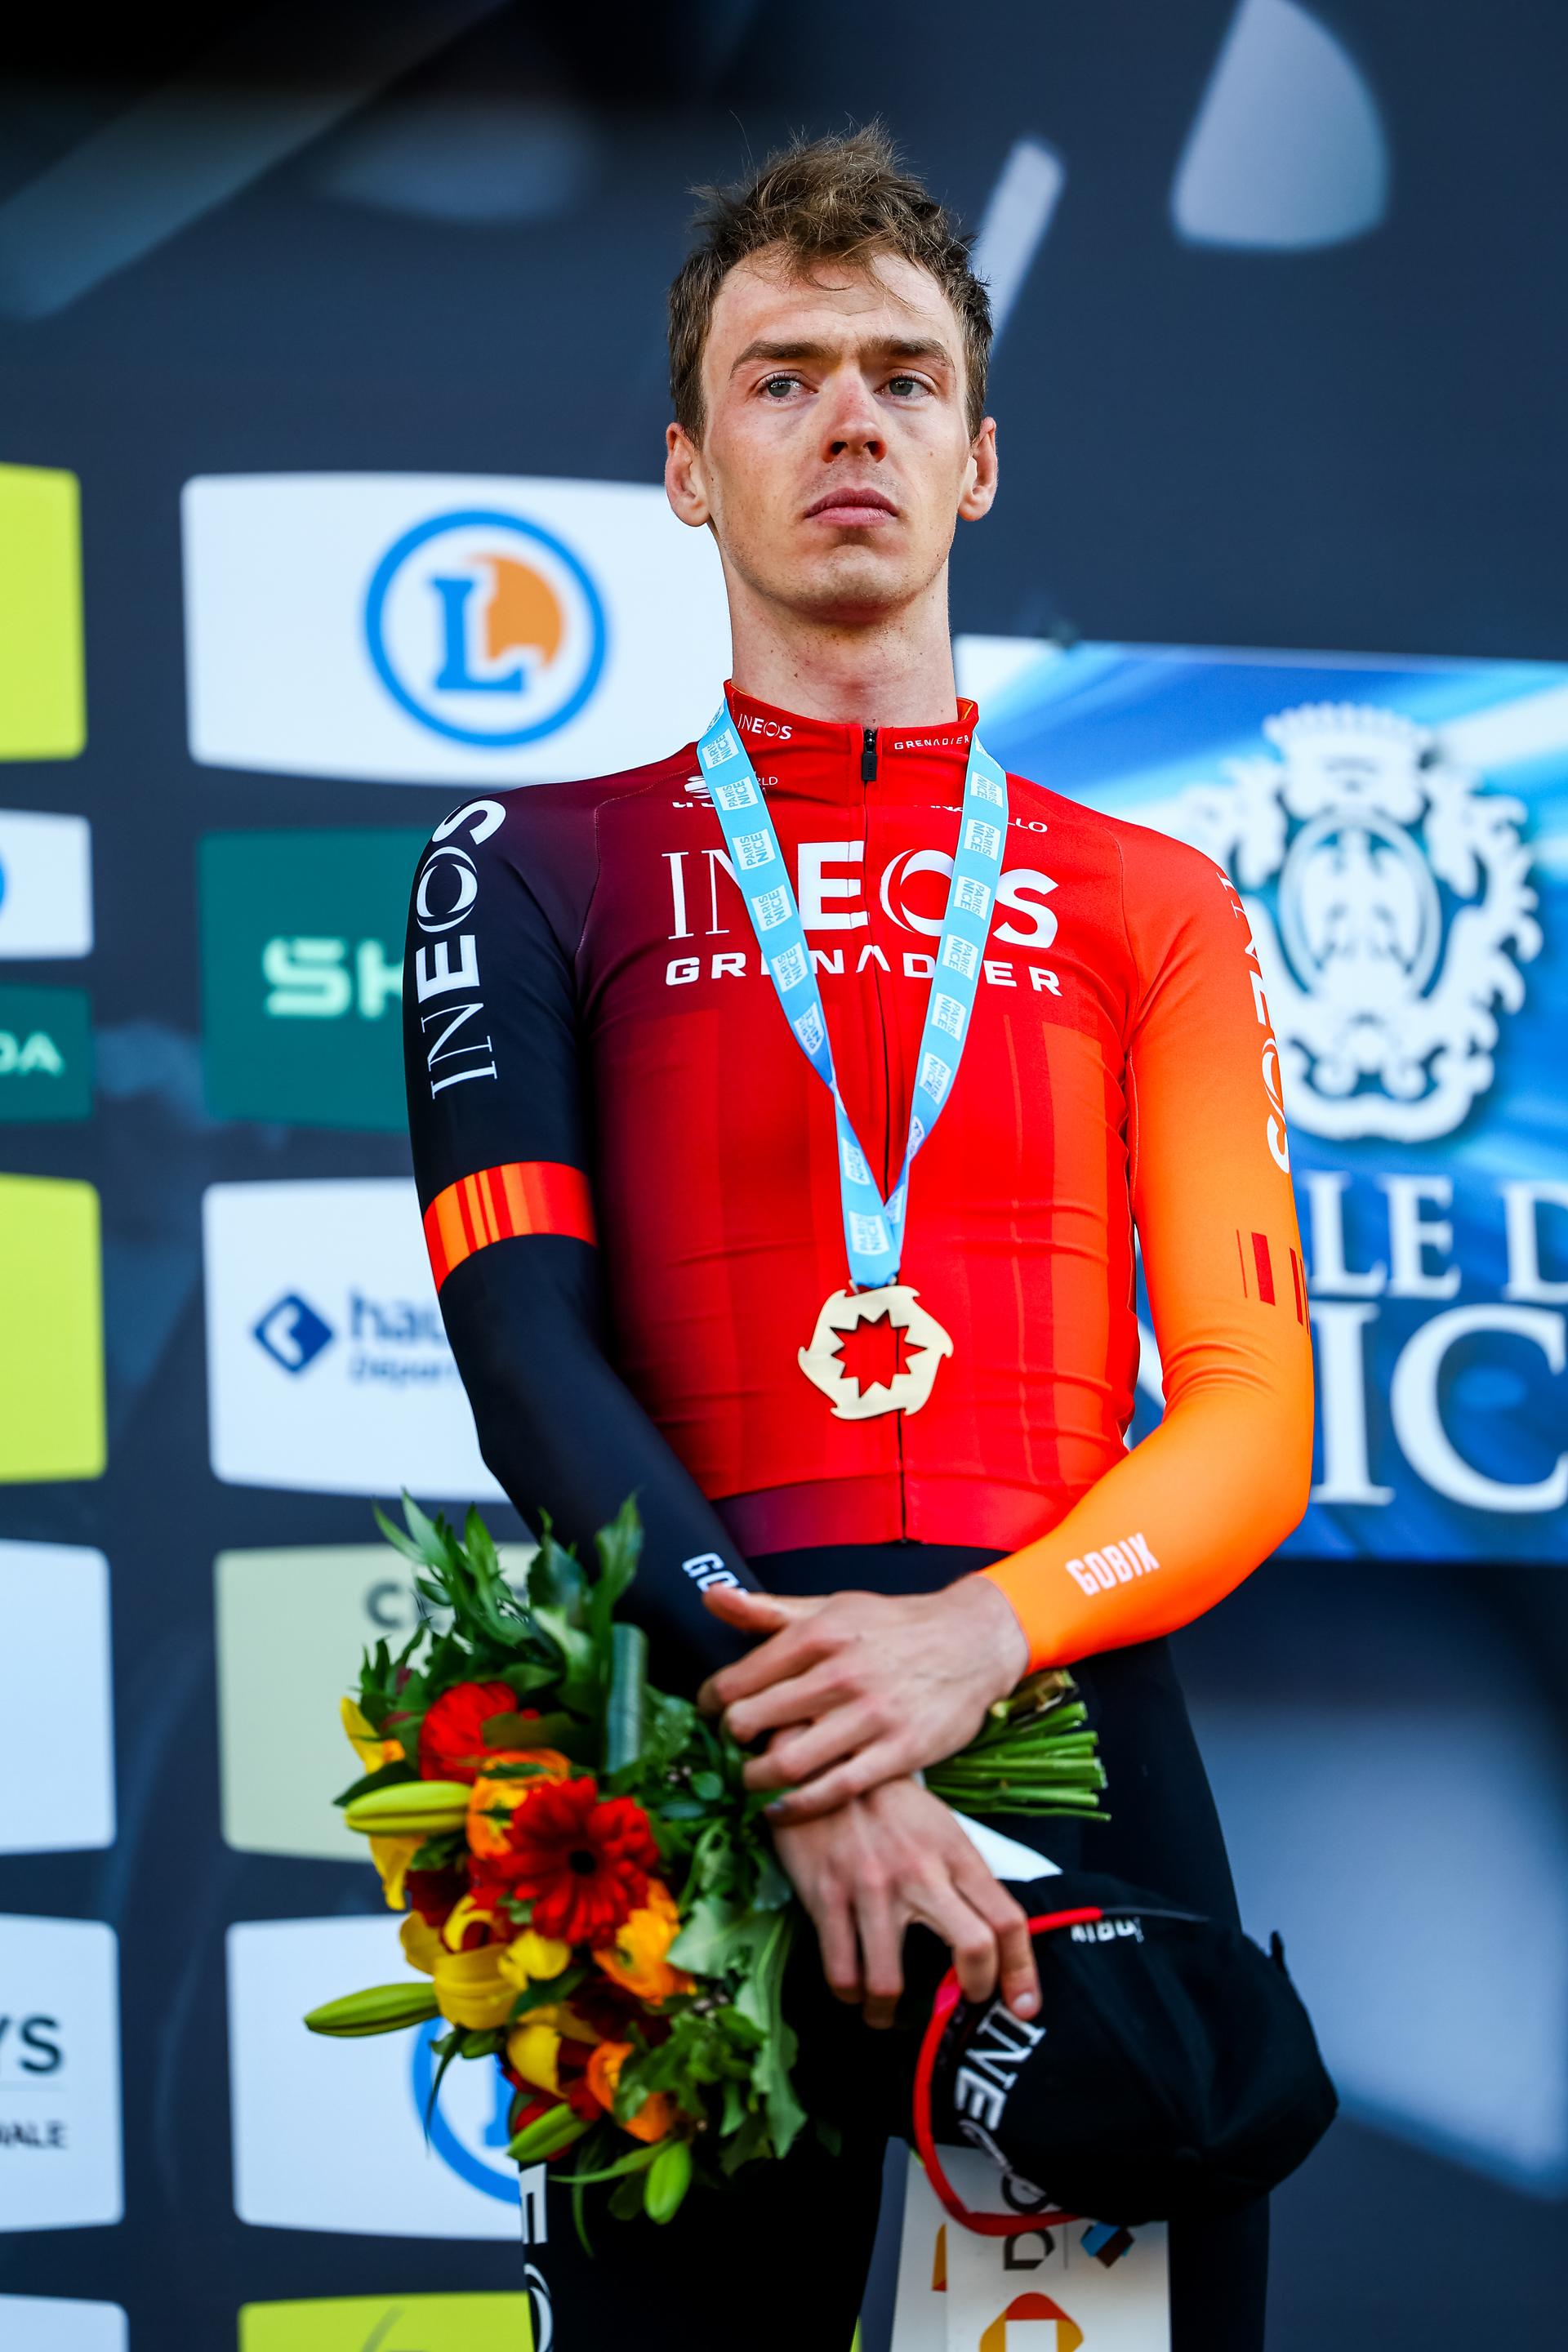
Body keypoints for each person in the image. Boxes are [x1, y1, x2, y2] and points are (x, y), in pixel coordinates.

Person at [403, 126, 1312, 2352]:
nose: (849, 423)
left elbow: (1256, 1412)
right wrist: (802, 1724)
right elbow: (530, 1358)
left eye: (902, 376)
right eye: (783, 375)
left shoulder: (1150, 902)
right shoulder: (521, 864)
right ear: (691, 472)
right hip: (698, 1779)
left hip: (1068, 1734)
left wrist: (976, 1644)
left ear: (978, 462)